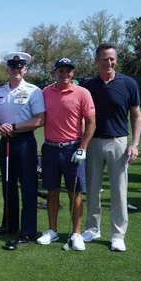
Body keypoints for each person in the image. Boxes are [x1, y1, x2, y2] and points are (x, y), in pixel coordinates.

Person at [81, 43, 141, 252]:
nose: (109, 62)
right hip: (93, 142)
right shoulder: (89, 85)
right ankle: (92, 228)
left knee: (119, 191)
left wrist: (134, 144)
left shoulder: (129, 83)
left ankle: (118, 234)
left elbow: (136, 115)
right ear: (96, 61)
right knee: (92, 189)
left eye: (112, 59)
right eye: (105, 59)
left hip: (119, 142)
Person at [35, 58, 95, 250]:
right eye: (60, 70)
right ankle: (52, 231)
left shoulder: (83, 93)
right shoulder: (45, 92)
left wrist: (83, 147)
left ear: (73, 73)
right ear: (54, 73)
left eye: (68, 70)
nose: (64, 74)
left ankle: (76, 233)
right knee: (52, 192)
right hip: (50, 148)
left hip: (73, 148)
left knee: (74, 192)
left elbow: (91, 122)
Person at [0, 52, 45, 244]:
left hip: (24, 143)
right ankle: (9, 225)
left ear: (25, 70)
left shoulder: (34, 91)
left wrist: (14, 127)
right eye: (12, 68)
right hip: (5, 142)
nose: (16, 70)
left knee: (28, 187)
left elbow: (39, 119)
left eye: (19, 67)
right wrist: (1, 127)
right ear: (7, 70)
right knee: (8, 186)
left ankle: (28, 230)